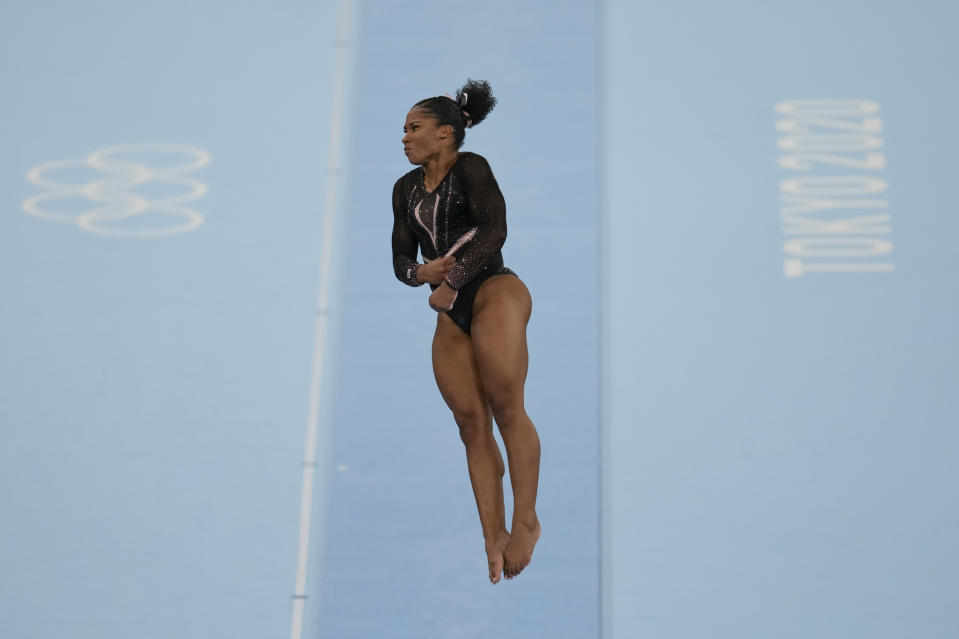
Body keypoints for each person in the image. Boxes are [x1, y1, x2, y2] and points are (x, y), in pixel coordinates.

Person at [391, 79, 541, 583]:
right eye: (404, 129)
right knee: (469, 424)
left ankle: (526, 521)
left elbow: (494, 230)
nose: (405, 137)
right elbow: (400, 259)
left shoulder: (471, 168)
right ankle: (492, 536)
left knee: (505, 404)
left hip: (494, 289)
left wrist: (450, 279)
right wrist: (419, 275)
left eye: (415, 128)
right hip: (449, 310)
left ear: (445, 134)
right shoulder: (404, 189)